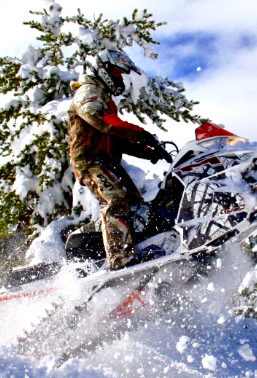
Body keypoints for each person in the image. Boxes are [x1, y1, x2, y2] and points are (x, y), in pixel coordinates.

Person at [67, 49, 172, 270]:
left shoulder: (104, 98)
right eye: (116, 74)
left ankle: (138, 249)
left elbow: (115, 139)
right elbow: (102, 119)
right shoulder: (88, 92)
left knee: (136, 208)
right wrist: (140, 132)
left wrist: (148, 150)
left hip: (108, 162)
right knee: (115, 200)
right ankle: (120, 259)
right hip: (91, 162)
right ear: (103, 70)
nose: (119, 80)